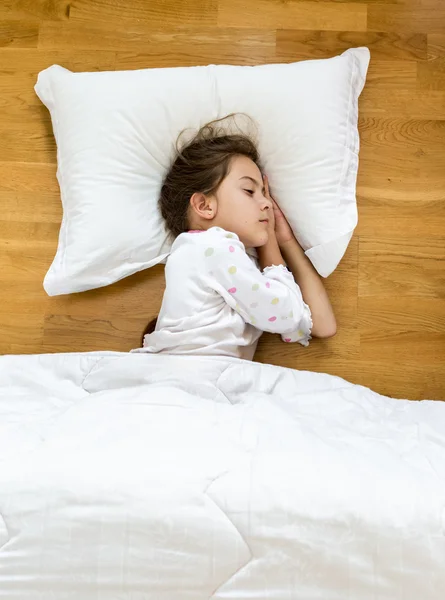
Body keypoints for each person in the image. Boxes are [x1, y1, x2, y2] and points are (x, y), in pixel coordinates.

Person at [132, 115, 336, 361]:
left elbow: (322, 326)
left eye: (264, 193)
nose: (266, 203)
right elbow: (286, 314)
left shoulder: (222, 257)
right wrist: (270, 243)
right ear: (205, 205)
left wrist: (285, 242)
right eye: (249, 191)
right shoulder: (211, 248)